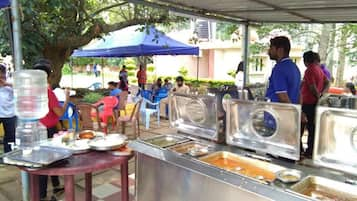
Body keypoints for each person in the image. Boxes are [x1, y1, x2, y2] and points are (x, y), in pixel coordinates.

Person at [34, 59, 68, 201]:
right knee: (46, 162)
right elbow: (60, 113)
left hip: (36, 128)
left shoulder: (32, 91)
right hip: (48, 130)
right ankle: (41, 195)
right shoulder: (48, 93)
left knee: (52, 159)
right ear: (47, 76)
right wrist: (67, 98)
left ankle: (56, 185)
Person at [300, 51, 329, 158]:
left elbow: (312, 87)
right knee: (312, 127)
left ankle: (303, 150)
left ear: (306, 60)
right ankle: (311, 150)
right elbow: (327, 82)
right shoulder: (319, 70)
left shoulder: (309, 70)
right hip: (314, 103)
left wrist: (318, 96)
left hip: (307, 102)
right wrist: (322, 94)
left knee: (301, 126)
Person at [266, 36, 301, 104]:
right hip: (292, 110)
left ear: (280, 50)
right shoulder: (294, 67)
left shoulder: (279, 69)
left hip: (277, 112)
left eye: (271, 48)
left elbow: (283, 97)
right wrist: (298, 111)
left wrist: (291, 112)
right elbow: (299, 94)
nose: (269, 51)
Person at [0, 64, 16, 153]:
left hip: (10, 114)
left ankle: (8, 154)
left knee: (10, 136)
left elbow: (19, 88)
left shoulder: (10, 82)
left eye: (2, 74)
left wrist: (6, 84)